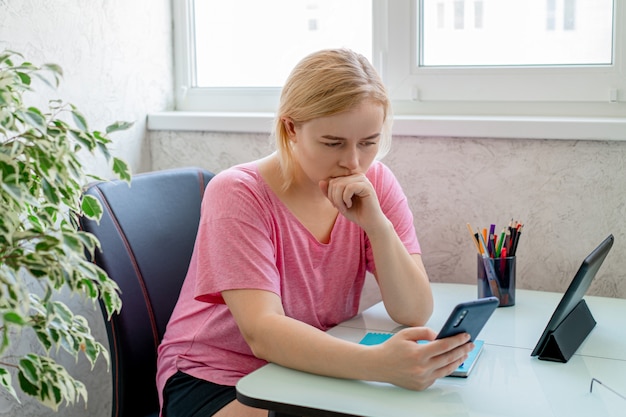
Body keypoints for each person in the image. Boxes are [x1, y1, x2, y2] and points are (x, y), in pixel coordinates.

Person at [156, 48, 474, 417]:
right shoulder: (238, 192)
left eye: (368, 142)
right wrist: (381, 364)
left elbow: (414, 310)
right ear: (291, 128)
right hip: (218, 378)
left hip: (306, 371)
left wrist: (377, 226)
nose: (353, 161)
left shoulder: (376, 184)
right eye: (333, 143)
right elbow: (263, 332)